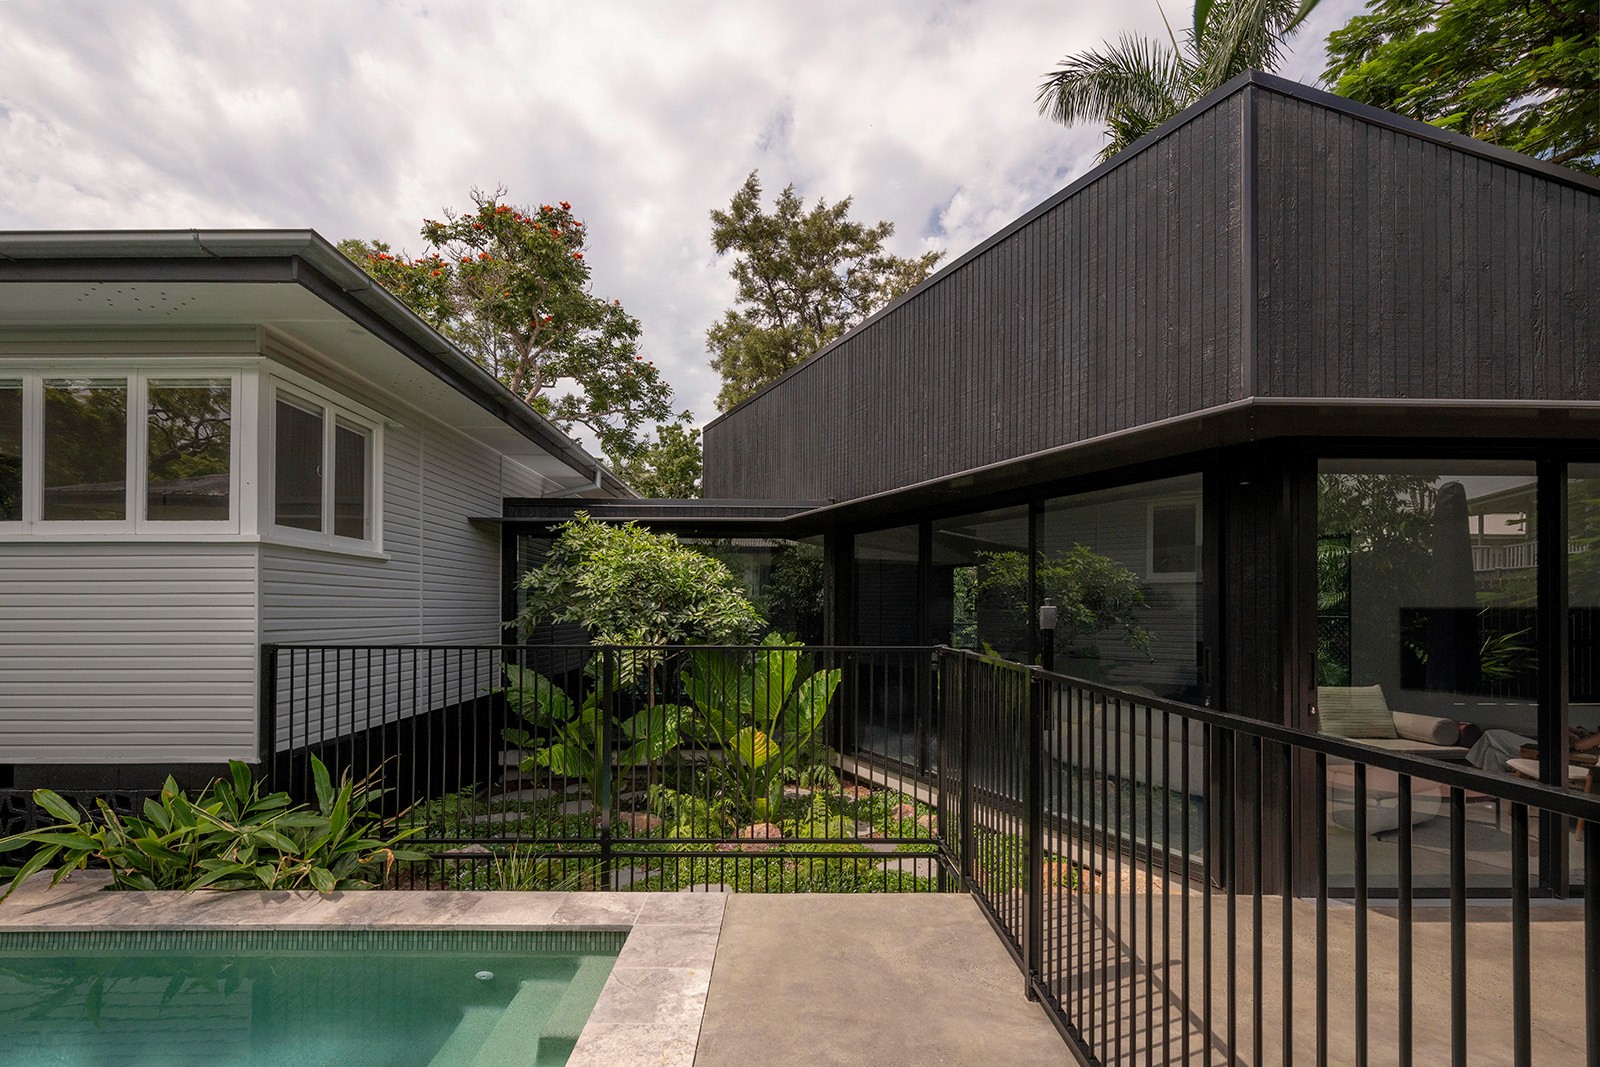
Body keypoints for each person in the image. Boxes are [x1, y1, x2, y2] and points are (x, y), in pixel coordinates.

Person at [1467, 724, 1600, 772]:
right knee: (1494, 752)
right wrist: (1586, 734)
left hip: (1557, 756)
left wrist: (1571, 736)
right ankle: (1492, 789)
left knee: (1492, 735)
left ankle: (1470, 772)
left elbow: (1578, 745)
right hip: (1559, 753)